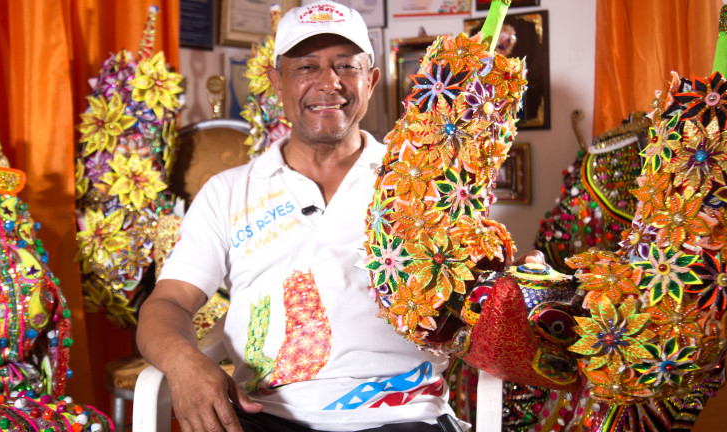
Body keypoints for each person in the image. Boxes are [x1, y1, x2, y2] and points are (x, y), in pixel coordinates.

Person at [137, 2, 542, 431]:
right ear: (277, 81)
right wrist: (182, 361)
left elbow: (471, 286)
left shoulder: (425, 179)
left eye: (346, 66)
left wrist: (513, 287)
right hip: (264, 415)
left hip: (403, 416)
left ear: (371, 80)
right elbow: (168, 303)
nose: (329, 83)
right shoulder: (228, 192)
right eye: (306, 67)